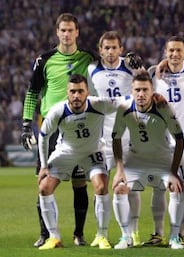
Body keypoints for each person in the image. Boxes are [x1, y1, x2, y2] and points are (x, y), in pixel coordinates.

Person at [21, 13, 96, 247]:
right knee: (44, 179)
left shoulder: (88, 59)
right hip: (50, 128)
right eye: (62, 30)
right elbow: (33, 93)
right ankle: (46, 234)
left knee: (79, 182)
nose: (66, 34)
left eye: (70, 30)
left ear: (77, 32)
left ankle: (79, 234)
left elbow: (110, 65)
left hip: (78, 126)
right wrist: (26, 123)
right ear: (57, 32)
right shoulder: (44, 60)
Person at [36, 74, 117, 250]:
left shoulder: (98, 104)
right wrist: (43, 166)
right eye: (73, 91)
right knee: (44, 188)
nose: (76, 96)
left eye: (80, 91)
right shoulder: (58, 111)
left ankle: (102, 236)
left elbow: (124, 102)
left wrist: (149, 96)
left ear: (87, 92)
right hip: (66, 153)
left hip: (92, 151)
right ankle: (54, 237)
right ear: (67, 93)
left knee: (101, 187)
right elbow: (43, 136)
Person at [111, 70, 184, 250]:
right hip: (135, 162)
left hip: (162, 162)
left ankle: (175, 237)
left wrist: (174, 172)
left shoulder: (163, 107)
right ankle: (125, 237)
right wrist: (119, 170)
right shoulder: (124, 109)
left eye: (145, 90)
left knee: (176, 187)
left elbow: (180, 139)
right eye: (137, 90)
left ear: (152, 91)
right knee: (119, 188)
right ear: (132, 91)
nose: (141, 94)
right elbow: (116, 138)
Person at [87, 30, 143, 247]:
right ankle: (101, 233)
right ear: (100, 50)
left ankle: (134, 232)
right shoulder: (91, 70)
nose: (110, 52)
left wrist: (140, 68)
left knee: (130, 187)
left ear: (121, 49)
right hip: (101, 138)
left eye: (114, 48)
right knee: (100, 187)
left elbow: (147, 87)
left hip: (128, 136)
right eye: (106, 48)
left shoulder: (130, 67)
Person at [148, 35, 184, 245]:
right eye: (170, 51)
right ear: (165, 52)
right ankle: (160, 233)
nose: (174, 54)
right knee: (166, 189)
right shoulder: (155, 74)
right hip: (162, 142)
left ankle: (178, 235)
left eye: (179, 50)